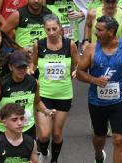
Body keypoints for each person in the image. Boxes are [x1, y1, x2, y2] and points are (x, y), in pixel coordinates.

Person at [76, 15, 122, 163]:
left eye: (100, 30)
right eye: (96, 29)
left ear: (111, 31)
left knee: (118, 139)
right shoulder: (91, 49)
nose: (95, 33)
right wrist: (94, 80)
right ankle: (98, 155)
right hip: (97, 101)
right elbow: (80, 73)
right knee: (99, 137)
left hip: (120, 99)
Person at [32, 14, 79, 162]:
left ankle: (54, 160)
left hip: (63, 94)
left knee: (57, 134)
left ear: (60, 28)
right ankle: (44, 152)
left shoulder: (69, 44)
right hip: (44, 94)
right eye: (48, 29)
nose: (51, 32)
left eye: (54, 28)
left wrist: (76, 70)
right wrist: (30, 70)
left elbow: (78, 63)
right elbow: (33, 64)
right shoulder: (38, 45)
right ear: (44, 29)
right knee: (44, 134)